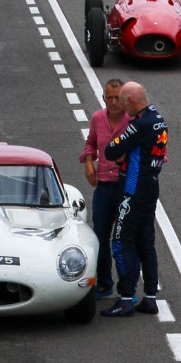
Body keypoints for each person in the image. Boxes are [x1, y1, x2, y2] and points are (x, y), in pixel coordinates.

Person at [100, 83, 168, 318]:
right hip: (151, 186)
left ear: (130, 101)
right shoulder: (157, 118)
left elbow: (110, 151)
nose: (122, 107)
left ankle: (126, 298)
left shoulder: (140, 124)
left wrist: (122, 154)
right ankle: (150, 297)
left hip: (134, 189)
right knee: (145, 241)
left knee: (120, 240)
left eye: (123, 102)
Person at [79, 78, 130, 300]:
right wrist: (89, 163)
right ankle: (104, 283)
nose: (113, 102)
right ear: (103, 98)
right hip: (103, 185)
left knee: (124, 237)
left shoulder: (133, 121)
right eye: (109, 98)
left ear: (125, 99)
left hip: (125, 186)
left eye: (117, 98)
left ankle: (127, 287)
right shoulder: (98, 118)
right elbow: (90, 143)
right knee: (99, 235)